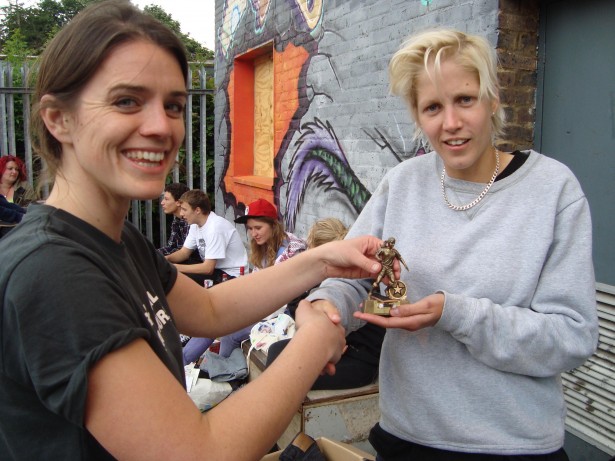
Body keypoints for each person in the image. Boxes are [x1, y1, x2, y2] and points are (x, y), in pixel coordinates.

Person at [0, 2, 390, 459]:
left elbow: (210, 308)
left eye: (173, 106)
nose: (160, 127)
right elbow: (198, 452)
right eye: (127, 101)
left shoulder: (116, 240)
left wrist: (322, 261)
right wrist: (314, 340)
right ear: (58, 119)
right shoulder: (54, 271)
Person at [307, 28, 598, 460]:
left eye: (465, 99)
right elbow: (351, 275)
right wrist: (322, 308)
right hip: (405, 438)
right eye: (432, 107)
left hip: (515, 446)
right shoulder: (402, 183)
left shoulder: (553, 190)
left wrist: (457, 314)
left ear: (493, 99)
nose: (451, 123)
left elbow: (572, 336)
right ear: (418, 115)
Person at [183, 198, 308, 364]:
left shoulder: (290, 253)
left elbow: (279, 299)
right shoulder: (265, 246)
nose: (253, 233)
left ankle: (222, 372)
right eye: (250, 228)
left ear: (273, 225)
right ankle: (182, 364)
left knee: (228, 333)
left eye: (258, 228)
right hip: (262, 307)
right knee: (213, 317)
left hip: (280, 317)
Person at [268, 217, 386, 390]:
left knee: (278, 362)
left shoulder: (342, 279)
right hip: (346, 350)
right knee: (278, 354)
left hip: (360, 359)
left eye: (310, 249)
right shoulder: (345, 278)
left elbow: (296, 310)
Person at [165, 189, 247, 286]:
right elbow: (184, 253)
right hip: (216, 271)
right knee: (176, 269)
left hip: (231, 275)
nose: (181, 214)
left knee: (176, 276)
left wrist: (173, 268)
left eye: (184, 209)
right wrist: (165, 259)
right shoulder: (195, 225)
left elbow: (208, 269)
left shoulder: (215, 227)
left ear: (197, 210)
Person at [157, 182, 193, 257]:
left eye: (166, 199)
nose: (162, 202)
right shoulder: (177, 221)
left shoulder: (191, 222)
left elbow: (190, 254)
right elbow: (172, 248)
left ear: (178, 202)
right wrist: (151, 254)